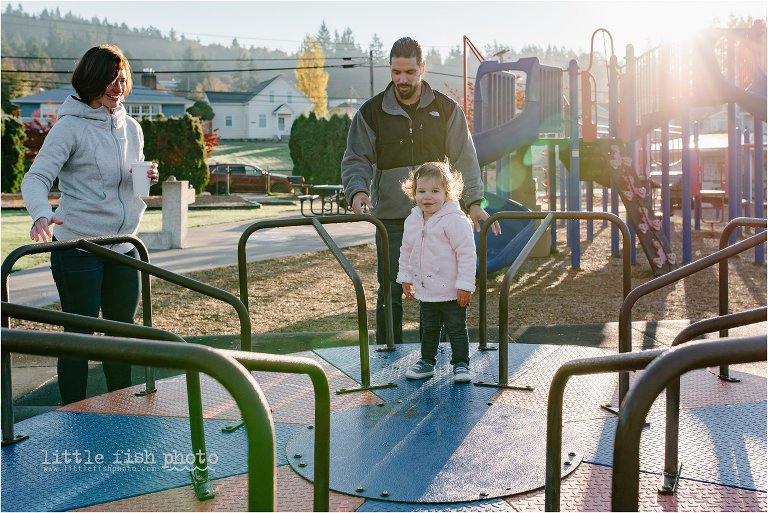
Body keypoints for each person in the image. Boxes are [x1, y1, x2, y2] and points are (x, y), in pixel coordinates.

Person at [21, 44, 159, 405]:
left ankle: (120, 405)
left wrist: (144, 177)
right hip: (78, 248)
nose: (118, 86)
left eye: (123, 79)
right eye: (111, 80)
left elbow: (129, 178)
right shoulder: (69, 128)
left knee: (121, 336)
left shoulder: (132, 127)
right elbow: (35, 179)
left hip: (125, 245)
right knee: (79, 335)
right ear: (92, 80)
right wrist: (40, 214)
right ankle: (72, 413)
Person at [341, 36, 500, 345]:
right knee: (391, 286)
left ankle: (439, 352)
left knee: (442, 286)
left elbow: (464, 158)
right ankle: (389, 350)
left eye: (409, 72)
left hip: (438, 218)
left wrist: (474, 201)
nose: (402, 79)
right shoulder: (372, 112)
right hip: (392, 218)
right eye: (396, 72)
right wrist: (358, 190)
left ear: (422, 69)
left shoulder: (445, 108)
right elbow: (356, 157)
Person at [397, 161, 475, 383]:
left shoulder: (454, 220)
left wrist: (465, 285)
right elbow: (407, 251)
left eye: (434, 191)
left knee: (456, 328)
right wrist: (405, 278)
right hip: (427, 288)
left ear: (447, 193)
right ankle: (426, 362)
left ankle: (461, 364)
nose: (427, 197)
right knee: (429, 328)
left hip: (453, 289)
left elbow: (467, 254)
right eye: (421, 191)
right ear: (413, 193)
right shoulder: (413, 220)